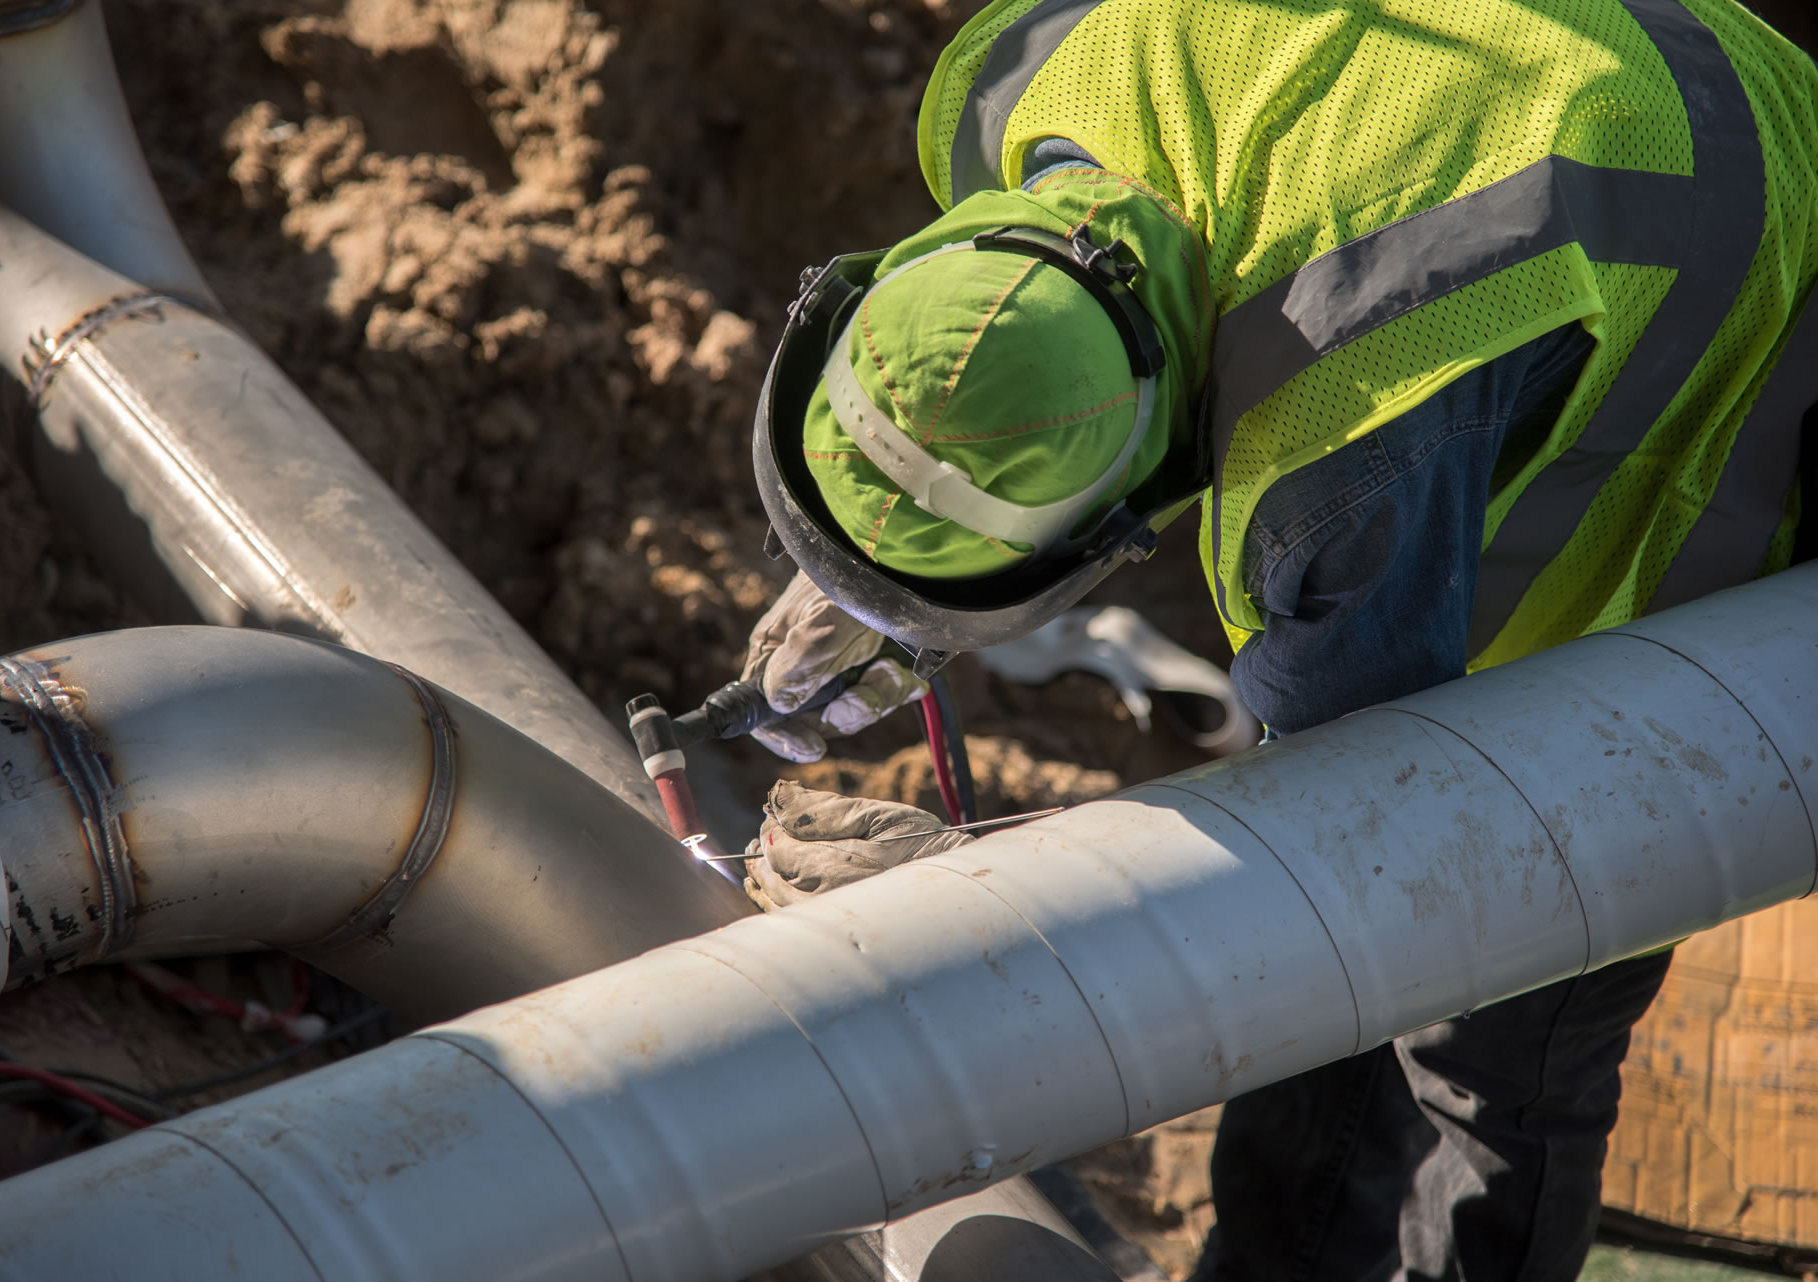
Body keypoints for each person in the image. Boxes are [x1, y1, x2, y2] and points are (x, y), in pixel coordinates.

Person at [731, 0, 1818, 1277]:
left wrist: (982, 910)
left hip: (1760, 261)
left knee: (1499, 988)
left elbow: (1374, 833)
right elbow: (1015, 351)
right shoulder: (1026, 71)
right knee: (1335, 1021)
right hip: (1616, 71)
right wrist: (881, 579)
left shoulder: (1330, 471)